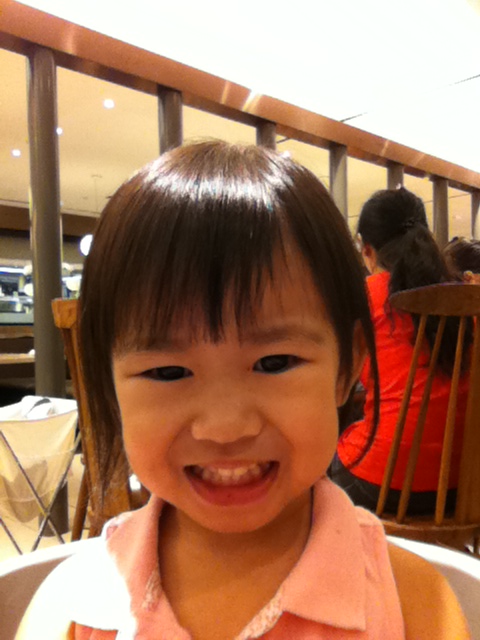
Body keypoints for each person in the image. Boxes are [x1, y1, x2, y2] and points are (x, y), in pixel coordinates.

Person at [17, 144, 469, 639]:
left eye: (274, 363)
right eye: (168, 372)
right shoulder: (72, 611)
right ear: (108, 383)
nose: (225, 427)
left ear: (347, 367)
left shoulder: (414, 609)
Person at [332, 187, 470, 516]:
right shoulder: (467, 297)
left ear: (366, 249)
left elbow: (335, 380)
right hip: (466, 488)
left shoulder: (364, 297)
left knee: (319, 467)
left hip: (382, 484)